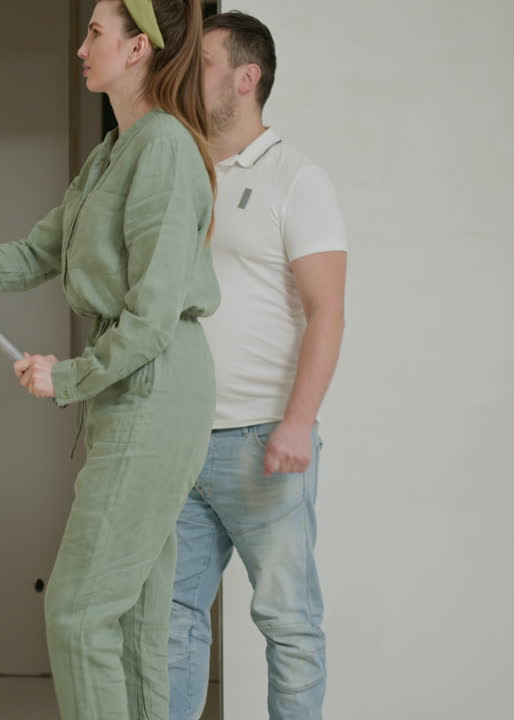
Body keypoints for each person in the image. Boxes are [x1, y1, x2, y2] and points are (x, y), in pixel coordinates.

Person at [0, 1, 217, 717]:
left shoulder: (164, 150)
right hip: (131, 391)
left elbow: (153, 318)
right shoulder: (113, 153)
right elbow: (36, 254)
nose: (81, 46)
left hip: (154, 391)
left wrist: (68, 377)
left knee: (78, 611)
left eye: (95, 32)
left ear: (138, 51)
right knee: (130, 624)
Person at [165, 11, 348, 720]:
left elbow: (326, 311)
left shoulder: (296, 178)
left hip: (261, 444)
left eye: (205, 62)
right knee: (173, 626)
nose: (189, 74)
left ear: (248, 77)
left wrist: (297, 423)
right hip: (181, 440)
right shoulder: (182, 170)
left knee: (288, 623)